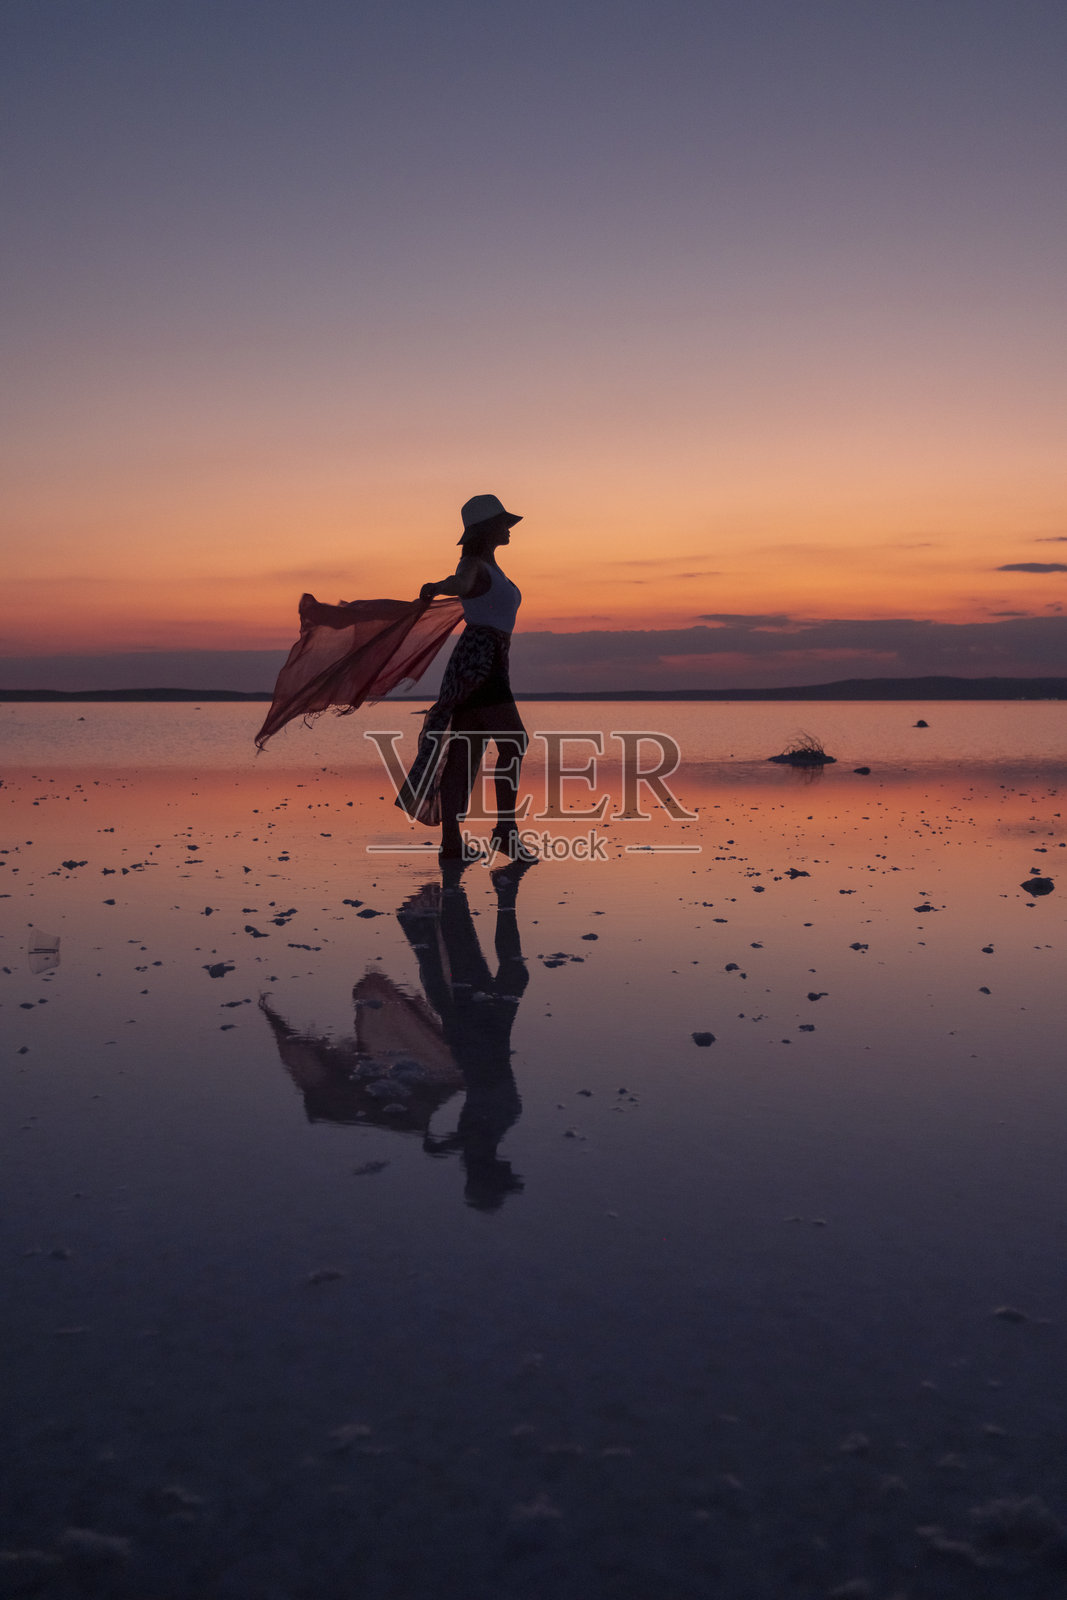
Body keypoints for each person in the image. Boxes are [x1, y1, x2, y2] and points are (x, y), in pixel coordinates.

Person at [398, 494, 535, 862]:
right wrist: (438, 586)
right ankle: (504, 832)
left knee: (465, 750)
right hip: (481, 665)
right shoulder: (473, 564)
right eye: (502, 522)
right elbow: (460, 582)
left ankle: (452, 843)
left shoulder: (491, 566)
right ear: (486, 529)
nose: (508, 528)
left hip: (485, 662)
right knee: (514, 742)